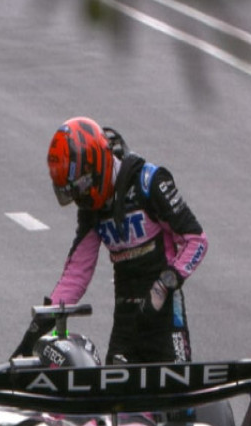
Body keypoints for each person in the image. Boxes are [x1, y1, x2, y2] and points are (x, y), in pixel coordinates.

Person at [13, 117, 208, 364]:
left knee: (177, 396)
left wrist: (163, 286)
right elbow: (77, 272)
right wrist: (38, 327)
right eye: (73, 191)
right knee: (115, 399)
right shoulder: (91, 209)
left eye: (82, 186)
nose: (80, 197)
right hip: (126, 319)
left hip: (165, 314)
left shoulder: (149, 183)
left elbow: (197, 241)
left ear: (97, 164)